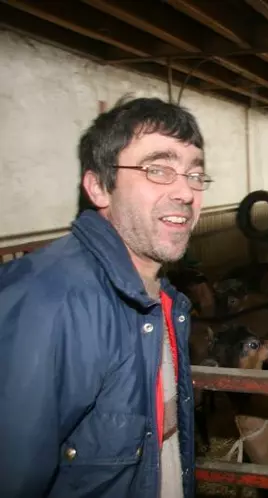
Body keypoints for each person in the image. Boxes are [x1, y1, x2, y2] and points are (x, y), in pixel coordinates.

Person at [0, 96, 212, 498]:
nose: (185, 192)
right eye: (158, 169)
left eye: (195, 174)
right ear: (99, 186)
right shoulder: (45, 302)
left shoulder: (164, 302)